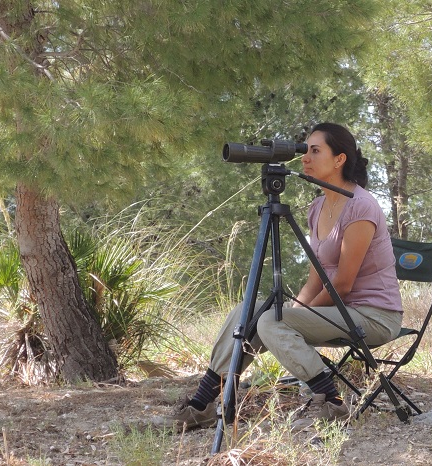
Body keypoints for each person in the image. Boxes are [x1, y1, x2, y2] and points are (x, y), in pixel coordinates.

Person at [172, 122, 403, 431]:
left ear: (340, 159)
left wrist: (287, 320)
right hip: (339, 311)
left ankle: (331, 403)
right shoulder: (318, 207)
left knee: (270, 320)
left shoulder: (360, 206)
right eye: (305, 150)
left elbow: (343, 284)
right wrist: (289, 318)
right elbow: (314, 281)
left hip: (374, 316)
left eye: (315, 151)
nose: (305, 157)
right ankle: (204, 401)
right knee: (249, 312)